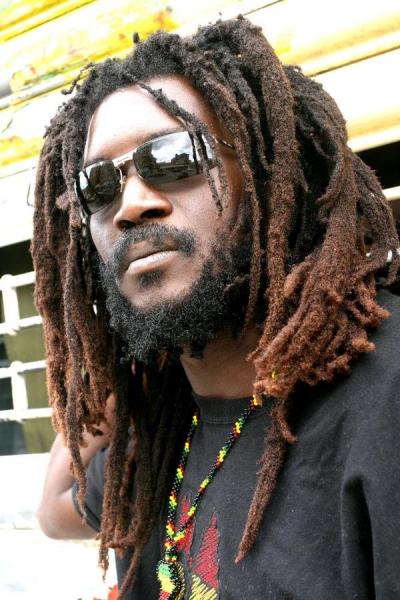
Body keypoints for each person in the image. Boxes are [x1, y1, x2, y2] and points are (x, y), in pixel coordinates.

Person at [34, 17, 400, 600]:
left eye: (174, 156)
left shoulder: (384, 401)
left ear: (271, 172)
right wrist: (106, 363)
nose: (131, 204)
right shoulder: (158, 418)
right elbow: (55, 509)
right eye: (97, 185)